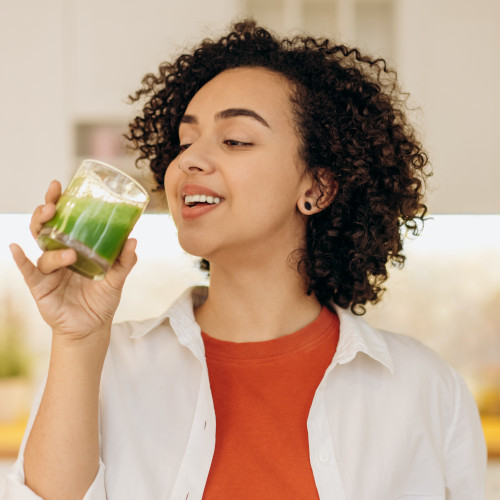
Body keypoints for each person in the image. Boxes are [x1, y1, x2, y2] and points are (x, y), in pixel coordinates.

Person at [1, 19, 486, 500]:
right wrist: (77, 337)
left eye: (235, 140)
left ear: (316, 188)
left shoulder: (424, 388)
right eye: (185, 141)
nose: (190, 159)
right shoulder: (104, 364)